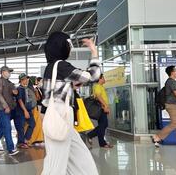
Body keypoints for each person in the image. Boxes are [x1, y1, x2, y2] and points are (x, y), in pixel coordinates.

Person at [41, 32, 100, 175]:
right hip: (61, 115)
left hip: (55, 115)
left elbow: (51, 94)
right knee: (56, 163)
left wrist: (71, 87)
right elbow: (93, 75)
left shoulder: (51, 67)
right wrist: (94, 52)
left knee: (79, 155)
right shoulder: (61, 65)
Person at [0, 66, 19, 156]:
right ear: (2, 72)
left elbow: (11, 94)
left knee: (1, 128)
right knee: (7, 127)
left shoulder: (8, 82)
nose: (9, 73)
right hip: (2, 108)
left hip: (8, 108)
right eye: (8, 71)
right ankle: (11, 149)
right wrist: (5, 106)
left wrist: (14, 92)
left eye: (10, 72)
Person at [86, 74, 113, 148]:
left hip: (103, 107)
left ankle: (102, 143)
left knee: (103, 125)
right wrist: (105, 106)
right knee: (103, 125)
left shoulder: (101, 86)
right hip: (101, 108)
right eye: (103, 78)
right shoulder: (97, 86)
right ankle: (90, 135)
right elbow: (98, 96)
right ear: (100, 79)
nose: (104, 79)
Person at [13, 73, 35, 149]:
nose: (27, 80)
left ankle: (25, 140)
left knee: (32, 124)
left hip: (28, 109)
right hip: (21, 111)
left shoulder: (26, 88)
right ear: (22, 80)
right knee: (21, 127)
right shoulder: (19, 89)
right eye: (26, 79)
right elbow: (20, 101)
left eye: (27, 79)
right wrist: (25, 111)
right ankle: (20, 143)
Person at [25, 76, 44, 147]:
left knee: (36, 123)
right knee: (32, 124)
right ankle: (30, 139)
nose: (37, 81)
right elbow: (34, 99)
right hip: (31, 109)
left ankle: (35, 138)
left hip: (34, 108)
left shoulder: (32, 88)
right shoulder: (29, 89)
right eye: (35, 80)